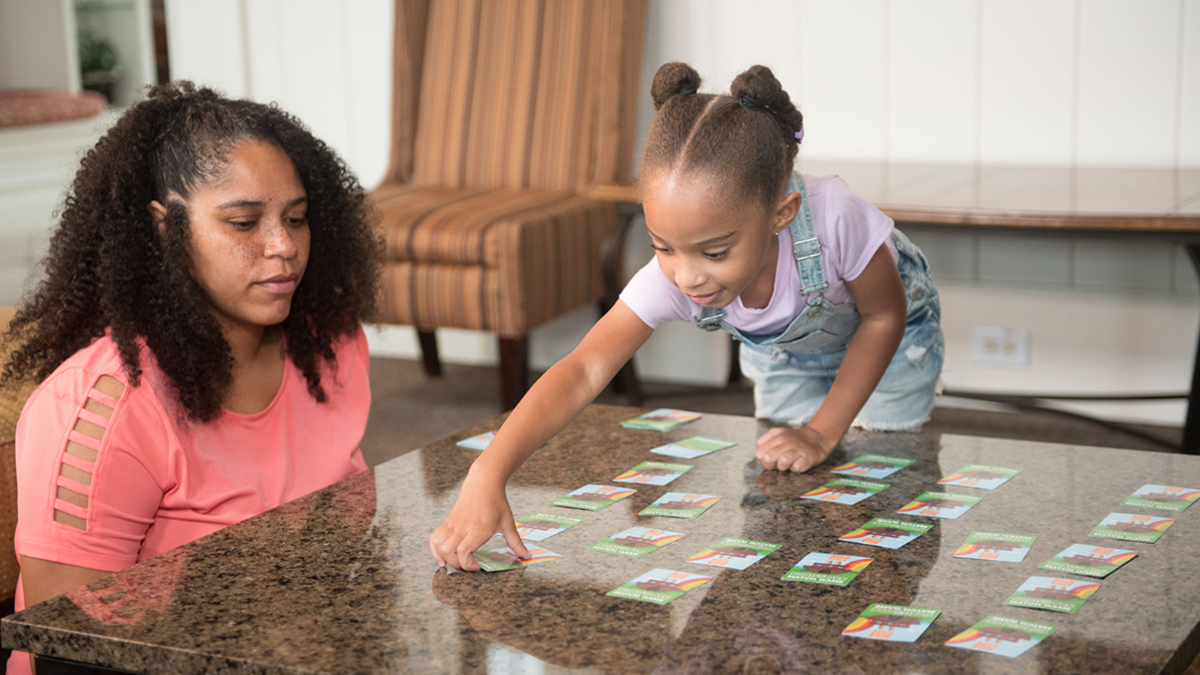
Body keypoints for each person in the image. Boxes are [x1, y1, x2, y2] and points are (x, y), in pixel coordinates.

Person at [429, 62, 943, 570]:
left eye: (714, 253)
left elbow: (882, 318)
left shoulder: (834, 214)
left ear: (780, 214)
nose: (686, 278)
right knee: (790, 485)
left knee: (884, 479)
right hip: (790, 357)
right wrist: (488, 472)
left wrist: (822, 432)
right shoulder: (674, 274)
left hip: (892, 342)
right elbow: (584, 368)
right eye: (663, 247)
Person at [2, 81, 380, 673]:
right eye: (243, 223)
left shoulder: (329, 345)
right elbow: (65, 654)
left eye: (297, 218)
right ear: (163, 227)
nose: (283, 246)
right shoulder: (103, 412)